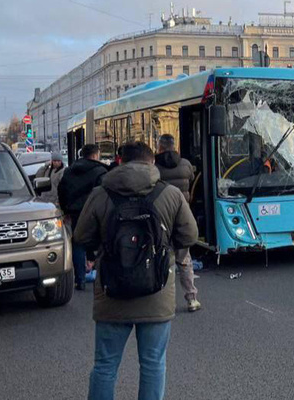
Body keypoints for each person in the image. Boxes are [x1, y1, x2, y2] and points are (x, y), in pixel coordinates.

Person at [75, 142, 198, 400]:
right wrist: (164, 252)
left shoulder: (100, 194)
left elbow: (82, 236)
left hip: (112, 292)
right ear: (151, 162)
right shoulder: (171, 193)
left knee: (105, 366)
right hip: (157, 292)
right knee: (153, 365)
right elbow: (190, 235)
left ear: (119, 161)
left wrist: (104, 249)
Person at [154, 134, 201, 312]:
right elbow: (191, 178)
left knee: (164, 258)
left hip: (162, 217)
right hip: (183, 216)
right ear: (174, 146)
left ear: (160, 147)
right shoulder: (185, 164)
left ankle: (165, 301)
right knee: (184, 260)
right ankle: (191, 298)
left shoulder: (155, 167)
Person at [58, 144, 108, 291]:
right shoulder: (100, 171)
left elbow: (62, 190)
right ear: (95, 155)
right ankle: (101, 278)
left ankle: (80, 280)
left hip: (75, 212)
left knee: (78, 242)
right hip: (95, 212)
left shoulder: (69, 170)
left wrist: (65, 210)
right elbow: (104, 193)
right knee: (101, 242)